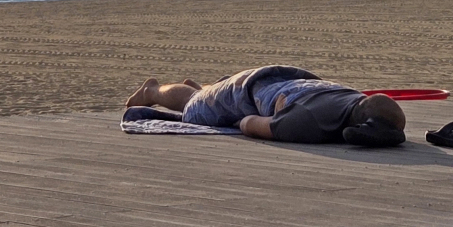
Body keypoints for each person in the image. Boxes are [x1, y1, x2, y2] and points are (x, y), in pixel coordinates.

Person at [125, 65, 406, 147]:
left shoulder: (352, 96)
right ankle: (153, 89)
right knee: (192, 108)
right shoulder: (309, 120)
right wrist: (237, 122)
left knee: (206, 97)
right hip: (245, 91)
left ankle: (205, 90)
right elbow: (251, 124)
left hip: (289, 79)